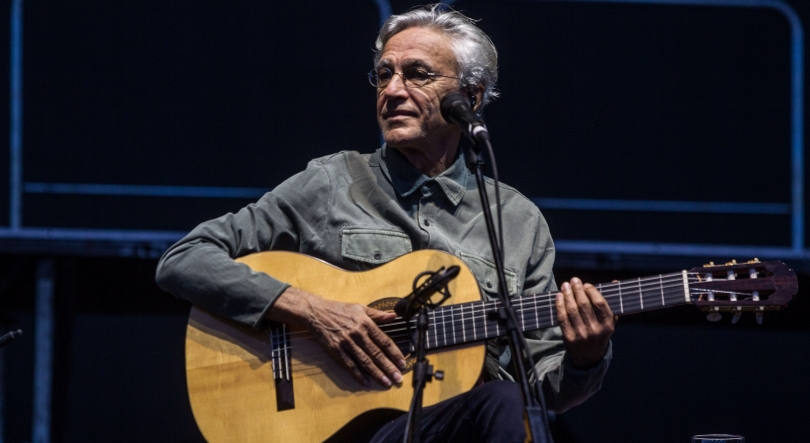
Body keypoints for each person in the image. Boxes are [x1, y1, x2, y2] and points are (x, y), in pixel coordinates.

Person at [156, 4, 614, 442]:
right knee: (503, 403)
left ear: (470, 97)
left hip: (461, 426)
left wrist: (586, 357)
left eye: (417, 74)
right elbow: (185, 259)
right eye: (383, 75)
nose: (392, 90)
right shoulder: (333, 182)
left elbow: (545, 391)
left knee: (509, 403)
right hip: (352, 429)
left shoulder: (518, 222)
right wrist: (314, 311)